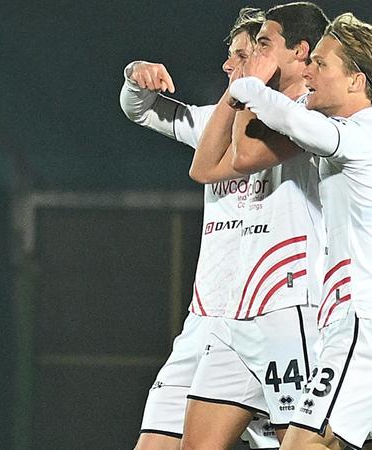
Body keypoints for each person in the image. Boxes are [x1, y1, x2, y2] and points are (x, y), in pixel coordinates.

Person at [228, 12, 372, 450]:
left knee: (302, 444)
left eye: (321, 64)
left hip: (360, 327)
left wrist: (248, 86)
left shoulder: (355, 137)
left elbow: (296, 123)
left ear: (356, 80)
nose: (308, 72)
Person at [119, 8, 280, 450]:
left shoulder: (300, 130)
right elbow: (140, 110)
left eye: (241, 55)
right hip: (205, 326)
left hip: (271, 327)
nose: (228, 65)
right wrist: (136, 74)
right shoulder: (215, 124)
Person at [180, 3, 329, 449]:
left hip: (290, 303)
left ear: (300, 52)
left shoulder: (312, 112)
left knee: (299, 444)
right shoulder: (261, 107)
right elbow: (203, 168)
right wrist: (239, 93)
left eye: (264, 44)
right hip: (241, 312)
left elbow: (244, 157)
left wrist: (250, 88)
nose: (254, 55)